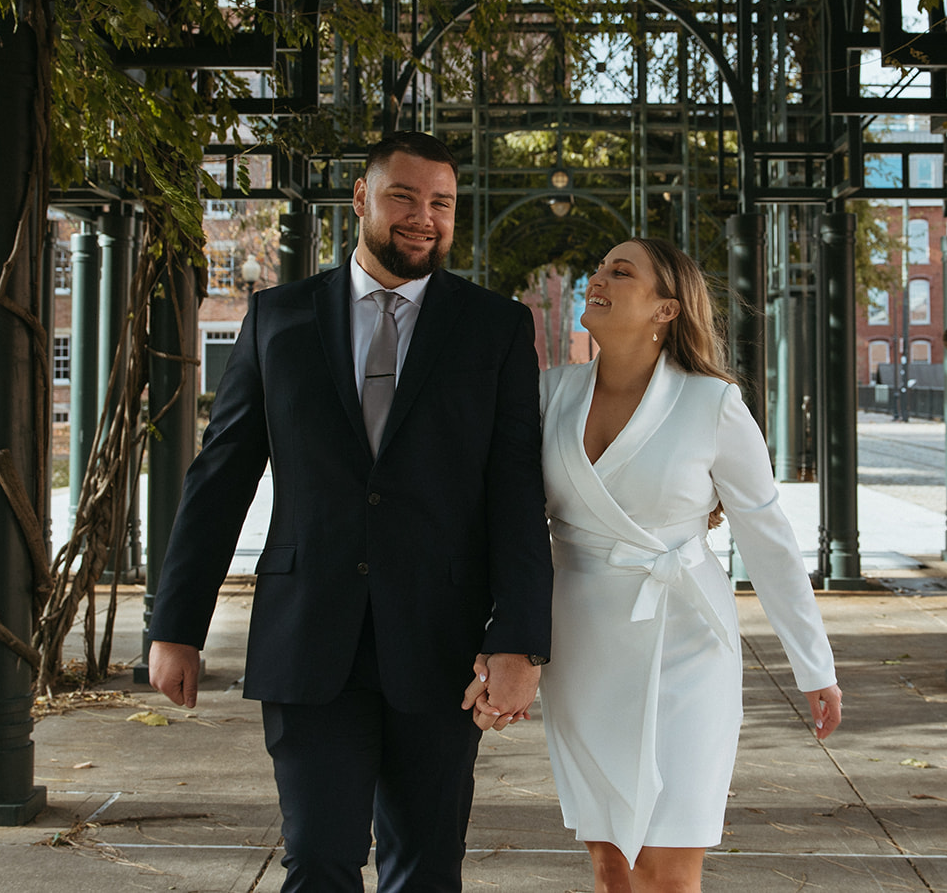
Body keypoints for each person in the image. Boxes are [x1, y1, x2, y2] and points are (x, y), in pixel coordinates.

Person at [146, 131, 553, 893]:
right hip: (308, 640)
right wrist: (176, 626)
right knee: (319, 863)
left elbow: (515, 494)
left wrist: (521, 642)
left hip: (439, 642)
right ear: (361, 199)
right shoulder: (278, 319)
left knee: (426, 870)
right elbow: (220, 477)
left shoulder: (494, 329)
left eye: (441, 203)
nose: (423, 217)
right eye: (404, 196)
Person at [466, 237, 841, 892]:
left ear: (666, 308)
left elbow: (769, 537)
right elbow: (501, 519)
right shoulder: (548, 393)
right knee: (613, 869)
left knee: (667, 872)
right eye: (599, 267)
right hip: (581, 645)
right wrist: (502, 645)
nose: (598, 278)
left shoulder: (712, 403)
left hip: (687, 644)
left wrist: (814, 665)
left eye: (621, 270)